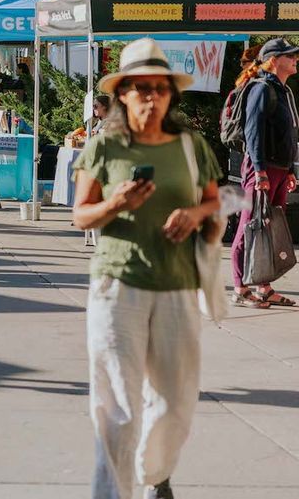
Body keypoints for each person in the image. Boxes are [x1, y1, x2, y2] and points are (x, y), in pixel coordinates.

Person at [72, 38, 222, 499]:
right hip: (118, 286)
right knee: (117, 406)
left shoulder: (190, 146)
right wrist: (115, 203)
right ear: (122, 93)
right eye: (142, 88)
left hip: (178, 286)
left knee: (177, 401)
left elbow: (214, 202)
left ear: (171, 94)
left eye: (160, 88)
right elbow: (81, 215)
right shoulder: (104, 146)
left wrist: (195, 215)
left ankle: (154, 473)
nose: (152, 97)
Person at [230, 37, 298, 308]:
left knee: (270, 229)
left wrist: (290, 169)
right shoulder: (260, 88)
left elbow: (288, 134)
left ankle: (263, 287)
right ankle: (239, 287)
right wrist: (259, 171)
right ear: (273, 60)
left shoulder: (283, 90)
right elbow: (253, 132)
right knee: (250, 226)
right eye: (289, 55)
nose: (295, 59)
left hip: (279, 168)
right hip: (262, 168)